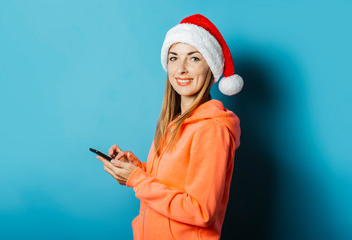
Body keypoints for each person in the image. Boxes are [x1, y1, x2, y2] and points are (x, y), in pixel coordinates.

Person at [96, 13, 244, 240]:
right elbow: (174, 183)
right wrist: (138, 169)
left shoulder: (211, 129)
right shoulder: (173, 122)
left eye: (194, 58)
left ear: (210, 68)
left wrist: (136, 179)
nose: (181, 69)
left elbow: (200, 211)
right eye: (174, 58)